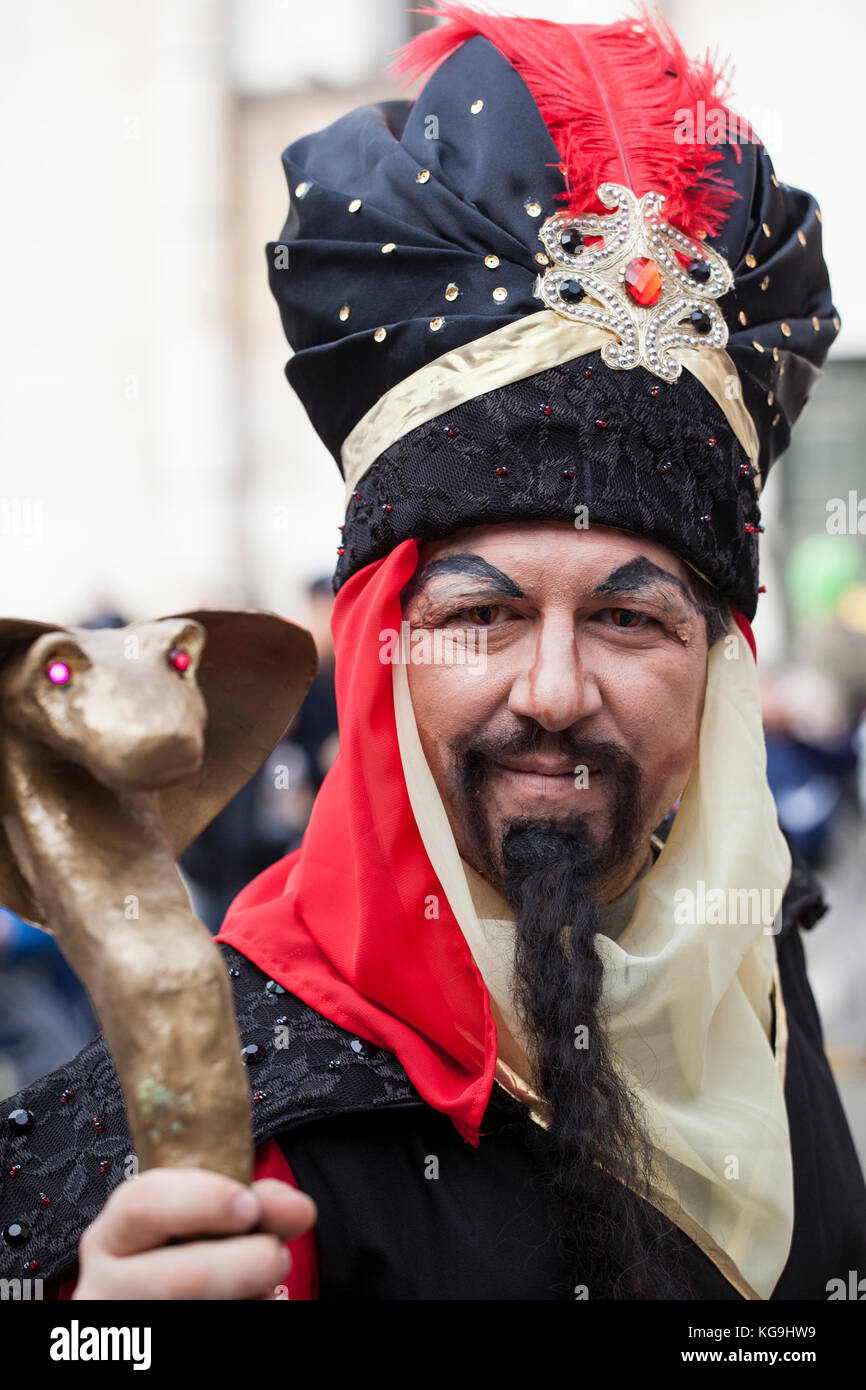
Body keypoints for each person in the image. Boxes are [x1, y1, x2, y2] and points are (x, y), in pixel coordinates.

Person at [2, 6, 865, 1301]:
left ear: (719, 665)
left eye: (630, 617)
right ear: (378, 653)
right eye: (482, 615)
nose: (557, 690)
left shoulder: (747, 969)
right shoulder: (203, 1132)